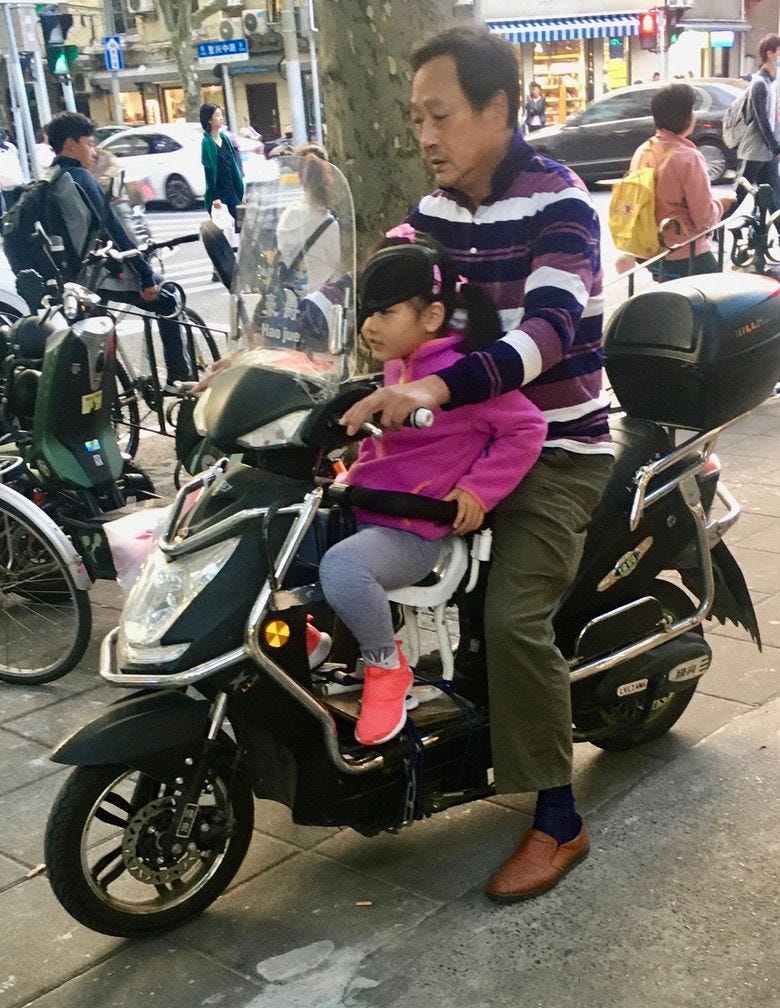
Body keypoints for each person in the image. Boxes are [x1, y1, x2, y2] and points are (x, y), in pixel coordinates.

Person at [341, 25, 613, 903]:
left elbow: (544, 336)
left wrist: (430, 394)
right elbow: (381, 284)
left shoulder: (562, 205)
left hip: (554, 447)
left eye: (442, 115)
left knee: (512, 620)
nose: (426, 136)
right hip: (452, 441)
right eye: (415, 117)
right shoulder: (429, 215)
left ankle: (558, 819)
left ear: (499, 109)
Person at [320, 228, 546, 746]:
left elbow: (526, 426)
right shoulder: (397, 363)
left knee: (342, 568)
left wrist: (476, 491)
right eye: (367, 312)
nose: (369, 326)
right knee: (275, 525)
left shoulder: (458, 375)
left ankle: (386, 669)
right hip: (367, 507)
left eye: (385, 313)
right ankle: (316, 643)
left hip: (412, 530)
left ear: (431, 318)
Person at [46, 112, 191, 388]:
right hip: (92, 280)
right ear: (70, 144)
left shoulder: (50, 178)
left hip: (68, 285)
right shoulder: (79, 177)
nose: (94, 151)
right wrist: (146, 276)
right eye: (89, 144)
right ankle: (179, 379)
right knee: (170, 298)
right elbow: (113, 228)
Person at [628, 83, 735, 280]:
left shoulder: (643, 150)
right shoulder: (688, 157)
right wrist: (721, 205)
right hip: (683, 251)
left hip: (647, 249)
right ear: (685, 118)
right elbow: (704, 218)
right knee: (719, 296)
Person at [275, 144, 341, 294]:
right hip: (321, 303)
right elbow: (339, 266)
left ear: (300, 179)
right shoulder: (329, 224)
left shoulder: (288, 214)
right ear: (329, 178)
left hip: (292, 297)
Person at [736, 33, 780, 211]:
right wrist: (775, 147)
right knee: (738, 194)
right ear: (770, 54)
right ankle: (715, 227)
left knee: (774, 196)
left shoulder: (771, 82)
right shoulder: (759, 83)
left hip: (766, 151)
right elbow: (761, 120)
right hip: (754, 149)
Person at [200, 103, 245, 229]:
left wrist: (240, 193)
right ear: (209, 119)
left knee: (243, 224)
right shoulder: (207, 142)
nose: (221, 118)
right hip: (219, 193)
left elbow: (233, 166)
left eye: (221, 115)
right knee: (221, 228)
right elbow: (208, 171)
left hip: (231, 190)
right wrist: (214, 198)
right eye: (217, 115)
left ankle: (247, 248)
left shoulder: (225, 138)